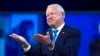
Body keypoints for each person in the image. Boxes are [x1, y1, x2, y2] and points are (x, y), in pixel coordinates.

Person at [10, 4, 81, 56]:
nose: (49, 17)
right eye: (47, 15)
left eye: (52, 14)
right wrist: (25, 44)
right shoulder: (44, 35)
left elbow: (70, 53)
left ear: (62, 14)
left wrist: (50, 43)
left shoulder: (73, 32)